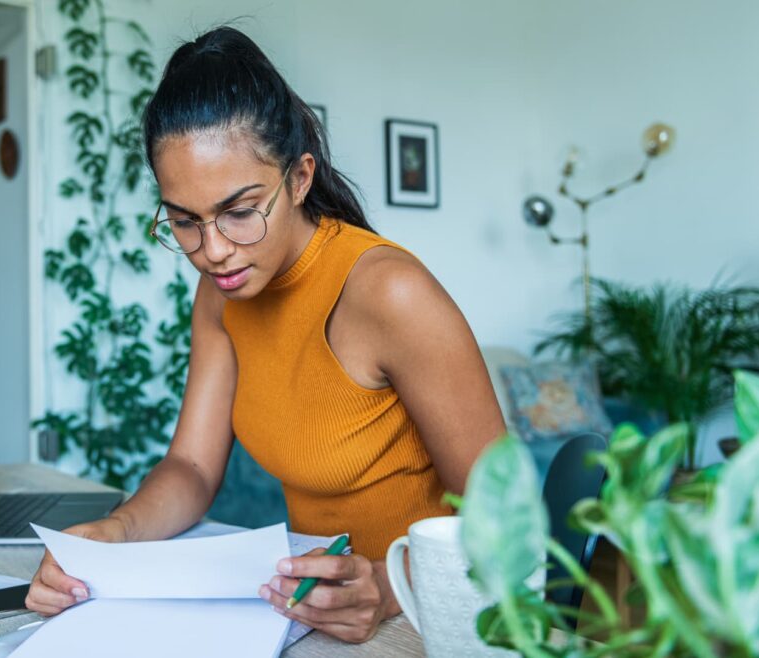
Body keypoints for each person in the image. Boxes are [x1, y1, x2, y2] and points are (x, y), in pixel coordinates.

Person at [25, 26, 505, 643]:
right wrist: (111, 535)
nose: (214, 251)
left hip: (429, 624)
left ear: (300, 178)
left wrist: (388, 588)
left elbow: (504, 518)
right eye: (184, 222)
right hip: (309, 623)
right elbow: (193, 467)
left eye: (240, 211)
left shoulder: (390, 292)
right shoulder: (222, 295)